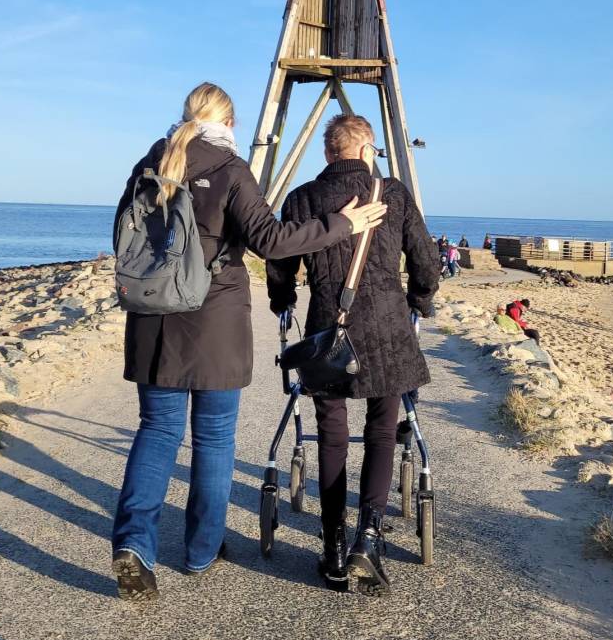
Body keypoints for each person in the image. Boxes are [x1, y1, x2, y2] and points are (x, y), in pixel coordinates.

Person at [109, 83, 386, 601]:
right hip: (213, 323)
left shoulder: (150, 162)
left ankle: (133, 545)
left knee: (156, 430)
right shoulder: (231, 170)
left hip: (151, 321)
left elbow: (124, 238)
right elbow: (272, 241)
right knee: (212, 439)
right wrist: (341, 224)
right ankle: (199, 551)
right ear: (230, 124)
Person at [266, 113, 439, 597]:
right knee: (383, 427)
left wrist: (282, 301)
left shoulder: (301, 198)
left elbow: (280, 263)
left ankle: (334, 541)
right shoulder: (393, 193)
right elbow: (424, 259)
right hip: (386, 327)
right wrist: (420, 300)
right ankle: (369, 534)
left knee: (331, 430)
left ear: (327, 154)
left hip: (329, 328)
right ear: (368, 150)